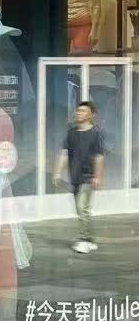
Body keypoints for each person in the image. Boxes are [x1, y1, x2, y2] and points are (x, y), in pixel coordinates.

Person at [54, 100, 106, 253]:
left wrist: (98, 176)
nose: (79, 113)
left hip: (88, 177)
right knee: (82, 210)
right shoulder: (72, 132)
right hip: (75, 177)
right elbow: (64, 153)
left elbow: (99, 156)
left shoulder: (96, 133)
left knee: (82, 207)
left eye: (83, 111)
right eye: (78, 110)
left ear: (91, 115)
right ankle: (90, 239)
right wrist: (58, 172)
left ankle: (83, 240)